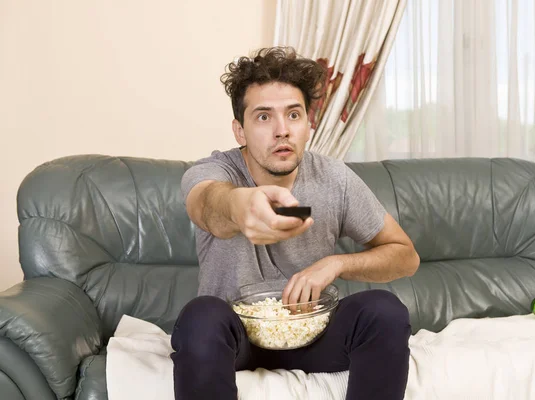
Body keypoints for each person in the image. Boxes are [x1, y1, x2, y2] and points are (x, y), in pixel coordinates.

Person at [171, 46, 420, 400]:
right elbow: (208, 204)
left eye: (293, 115)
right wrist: (241, 207)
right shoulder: (213, 172)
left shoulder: (335, 178)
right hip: (234, 339)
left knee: (384, 310)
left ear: (309, 125)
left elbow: (405, 256)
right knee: (200, 317)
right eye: (263, 117)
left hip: (314, 333)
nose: (281, 130)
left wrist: (335, 264)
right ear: (239, 130)